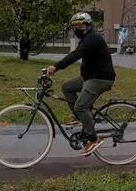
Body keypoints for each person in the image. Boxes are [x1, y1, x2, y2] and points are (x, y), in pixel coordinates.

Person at [44, 12, 116, 156]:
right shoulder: (86, 38)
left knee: (81, 106)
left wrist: (56, 67)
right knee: (67, 87)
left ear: (88, 25)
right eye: (74, 26)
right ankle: (79, 117)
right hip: (89, 77)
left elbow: (76, 54)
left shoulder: (93, 38)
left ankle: (93, 138)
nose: (76, 28)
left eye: (79, 25)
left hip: (101, 79)